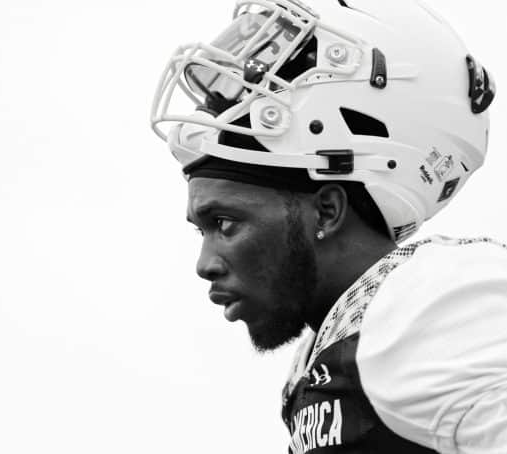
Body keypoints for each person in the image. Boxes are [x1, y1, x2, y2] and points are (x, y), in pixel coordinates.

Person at [150, 0, 506, 452]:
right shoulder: (331, 345)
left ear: (328, 211)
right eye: (203, 231)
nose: (205, 264)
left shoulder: (428, 302)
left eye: (225, 222)